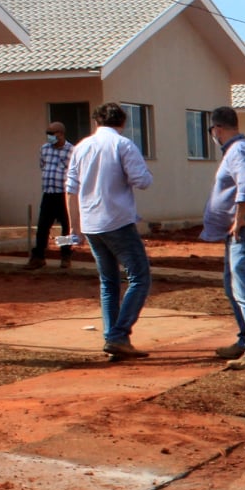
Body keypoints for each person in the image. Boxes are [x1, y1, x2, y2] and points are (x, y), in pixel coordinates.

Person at [65, 103, 153, 361]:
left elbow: (71, 188)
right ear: (122, 123)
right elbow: (142, 180)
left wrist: (74, 227)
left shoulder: (81, 147)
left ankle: (112, 336)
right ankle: (118, 335)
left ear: (96, 122)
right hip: (117, 220)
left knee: (108, 282)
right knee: (140, 277)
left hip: (91, 224)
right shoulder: (123, 145)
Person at [201, 105, 245, 369]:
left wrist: (239, 218)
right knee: (234, 288)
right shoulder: (240, 149)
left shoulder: (238, 151)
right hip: (237, 233)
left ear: (217, 129)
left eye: (212, 130)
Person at [27, 122, 74, 269]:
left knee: (66, 227)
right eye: (48, 133)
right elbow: (42, 166)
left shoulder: (71, 151)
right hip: (48, 193)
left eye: (52, 133)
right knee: (43, 226)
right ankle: (39, 256)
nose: (49, 136)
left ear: (61, 134)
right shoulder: (45, 149)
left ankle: (65, 255)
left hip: (64, 195)